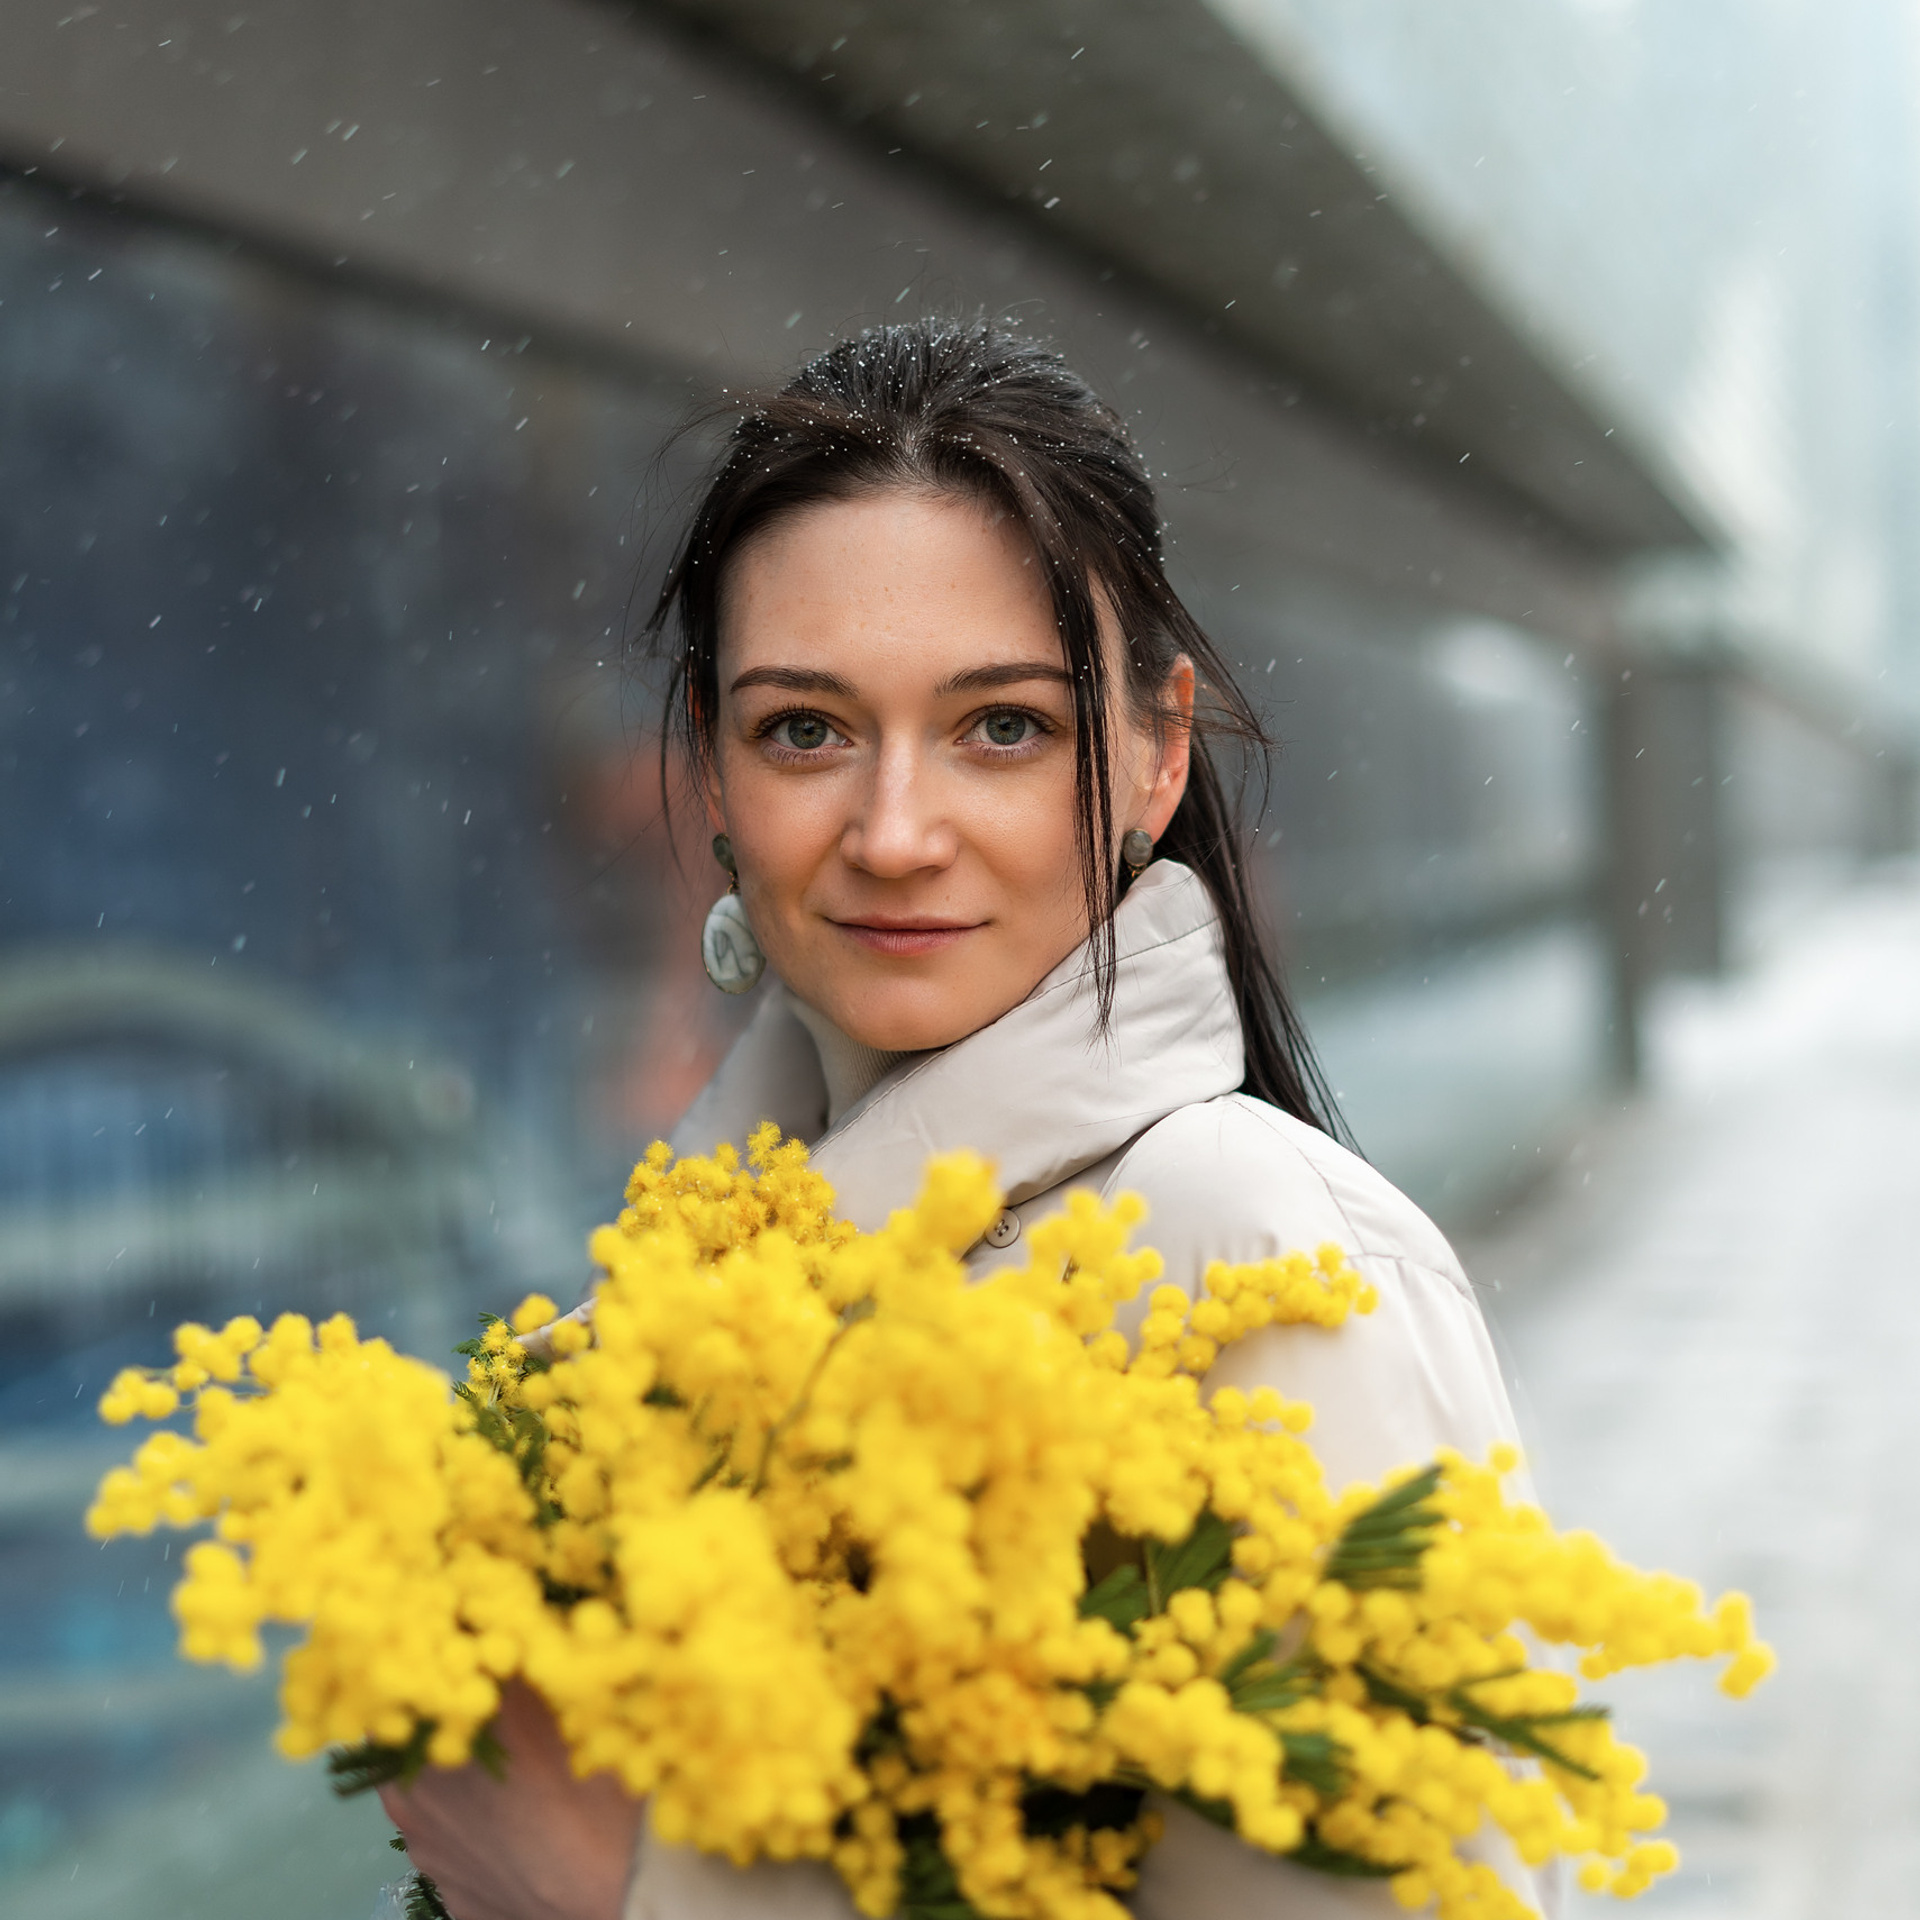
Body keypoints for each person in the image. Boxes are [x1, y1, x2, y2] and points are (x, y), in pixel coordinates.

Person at [384, 319, 1549, 1919]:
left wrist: (612, 1893)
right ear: (714, 779)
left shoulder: (1257, 1260)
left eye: (1003, 725)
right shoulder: (681, 1288)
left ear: (1152, 757)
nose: (895, 832)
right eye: (805, 728)